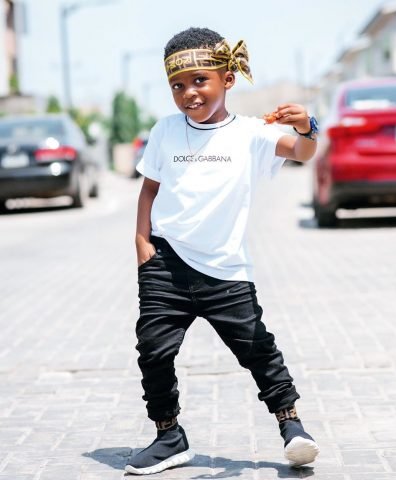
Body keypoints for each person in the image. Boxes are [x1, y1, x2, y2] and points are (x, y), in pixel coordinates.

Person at [126, 27, 320, 476]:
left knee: (257, 349)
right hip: (165, 264)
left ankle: (292, 426)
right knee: (153, 351)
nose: (189, 93)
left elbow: (303, 152)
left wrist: (307, 125)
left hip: (225, 269)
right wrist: (141, 242)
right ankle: (168, 437)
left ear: (227, 79)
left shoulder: (252, 133)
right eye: (178, 85)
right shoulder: (165, 130)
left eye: (200, 81)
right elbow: (149, 188)